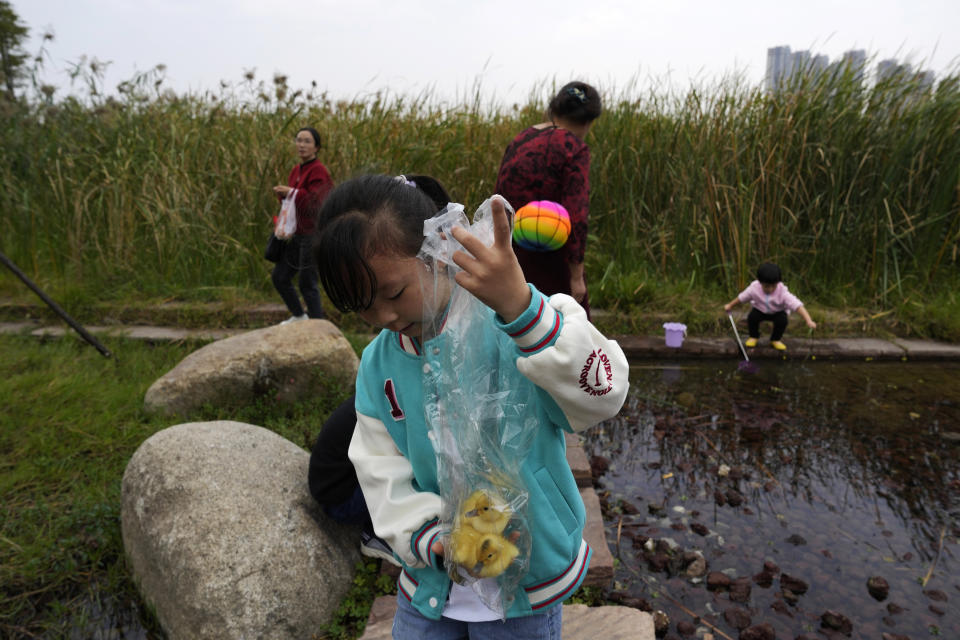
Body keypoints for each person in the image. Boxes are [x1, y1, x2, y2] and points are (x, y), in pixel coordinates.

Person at [312, 174, 629, 637]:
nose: (384, 317)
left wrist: (522, 311)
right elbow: (377, 463)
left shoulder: (525, 322)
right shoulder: (380, 362)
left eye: (394, 293)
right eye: (362, 306)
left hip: (527, 579)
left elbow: (604, 395)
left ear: (436, 252)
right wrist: (427, 535)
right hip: (429, 582)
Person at [495, 81, 602, 317]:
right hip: (554, 257)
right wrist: (576, 276)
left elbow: (499, 197)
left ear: (555, 109)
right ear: (587, 122)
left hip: (515, 255)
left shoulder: (521, 140)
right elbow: (577, 215)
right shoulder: (573, 148)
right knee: (567, 329)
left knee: (520, 326)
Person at [270, 126, 333, 324]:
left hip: (313, 234)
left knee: (307, 282)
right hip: (296, 234)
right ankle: (299, 316)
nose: (302, 145)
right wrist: (286, 195)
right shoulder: (296, 170)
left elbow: (317, 202)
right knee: (280, 276)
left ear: (317, 147)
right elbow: (293, 203)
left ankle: (317, 327)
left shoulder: (319, 171)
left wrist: (291, 192)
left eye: (307, 141)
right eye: (299, 140)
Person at [723, 262, 817, 351]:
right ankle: (754, 336)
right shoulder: (754, 289)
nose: (770, 289)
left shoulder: (783, 292)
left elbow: (797, 305)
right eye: (767, 286)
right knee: (752, 318)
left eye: (773, 286)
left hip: (778, 312)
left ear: (778, 283)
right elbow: (741, 298)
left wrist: (808, 320)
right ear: (760, 282)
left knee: (782, 321)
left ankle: (775, 339)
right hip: (759, 310)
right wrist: (730, 305)